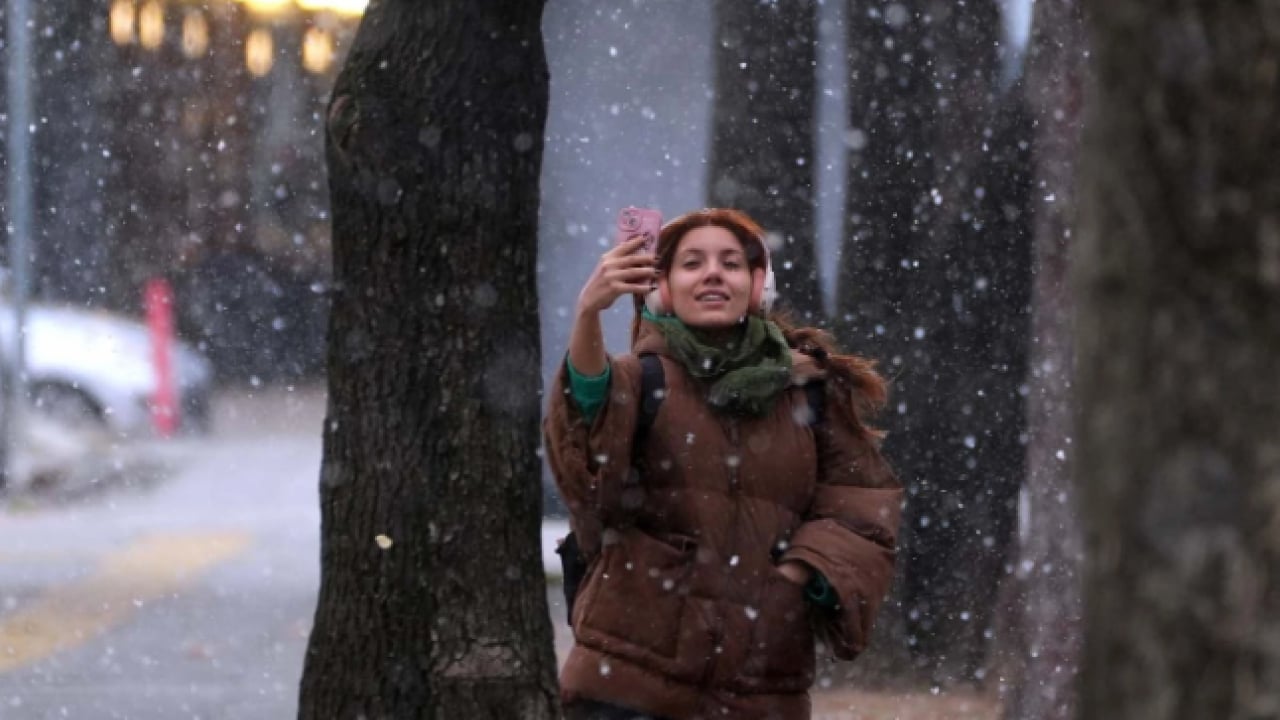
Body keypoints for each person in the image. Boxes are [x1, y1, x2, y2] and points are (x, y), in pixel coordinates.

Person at [544, 208, 902, 720]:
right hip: (625, 687)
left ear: (759, 287)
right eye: (692, 263)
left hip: (761, 689)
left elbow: (863, 507)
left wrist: (797, 575)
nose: (713, 273)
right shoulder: (638, 381)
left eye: (730, 263)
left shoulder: (808, 391)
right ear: (660, 289)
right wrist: (588, 314)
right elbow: (584, 462)